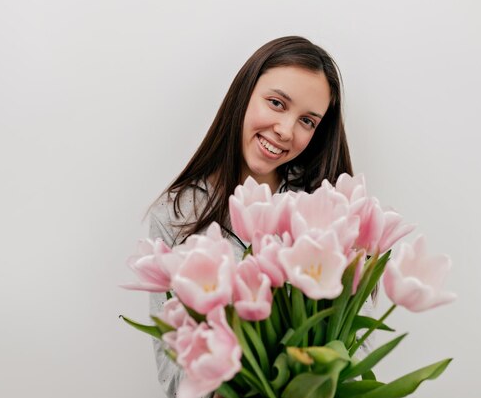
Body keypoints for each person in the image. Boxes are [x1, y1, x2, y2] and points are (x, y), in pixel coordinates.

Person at [147, 36, 371, 397]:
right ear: (244, 93)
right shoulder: (175, 215)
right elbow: (174, 372)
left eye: (307, 121)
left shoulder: (323, 211)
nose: (285, 130)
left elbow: (353, 349)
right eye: (276, 103)